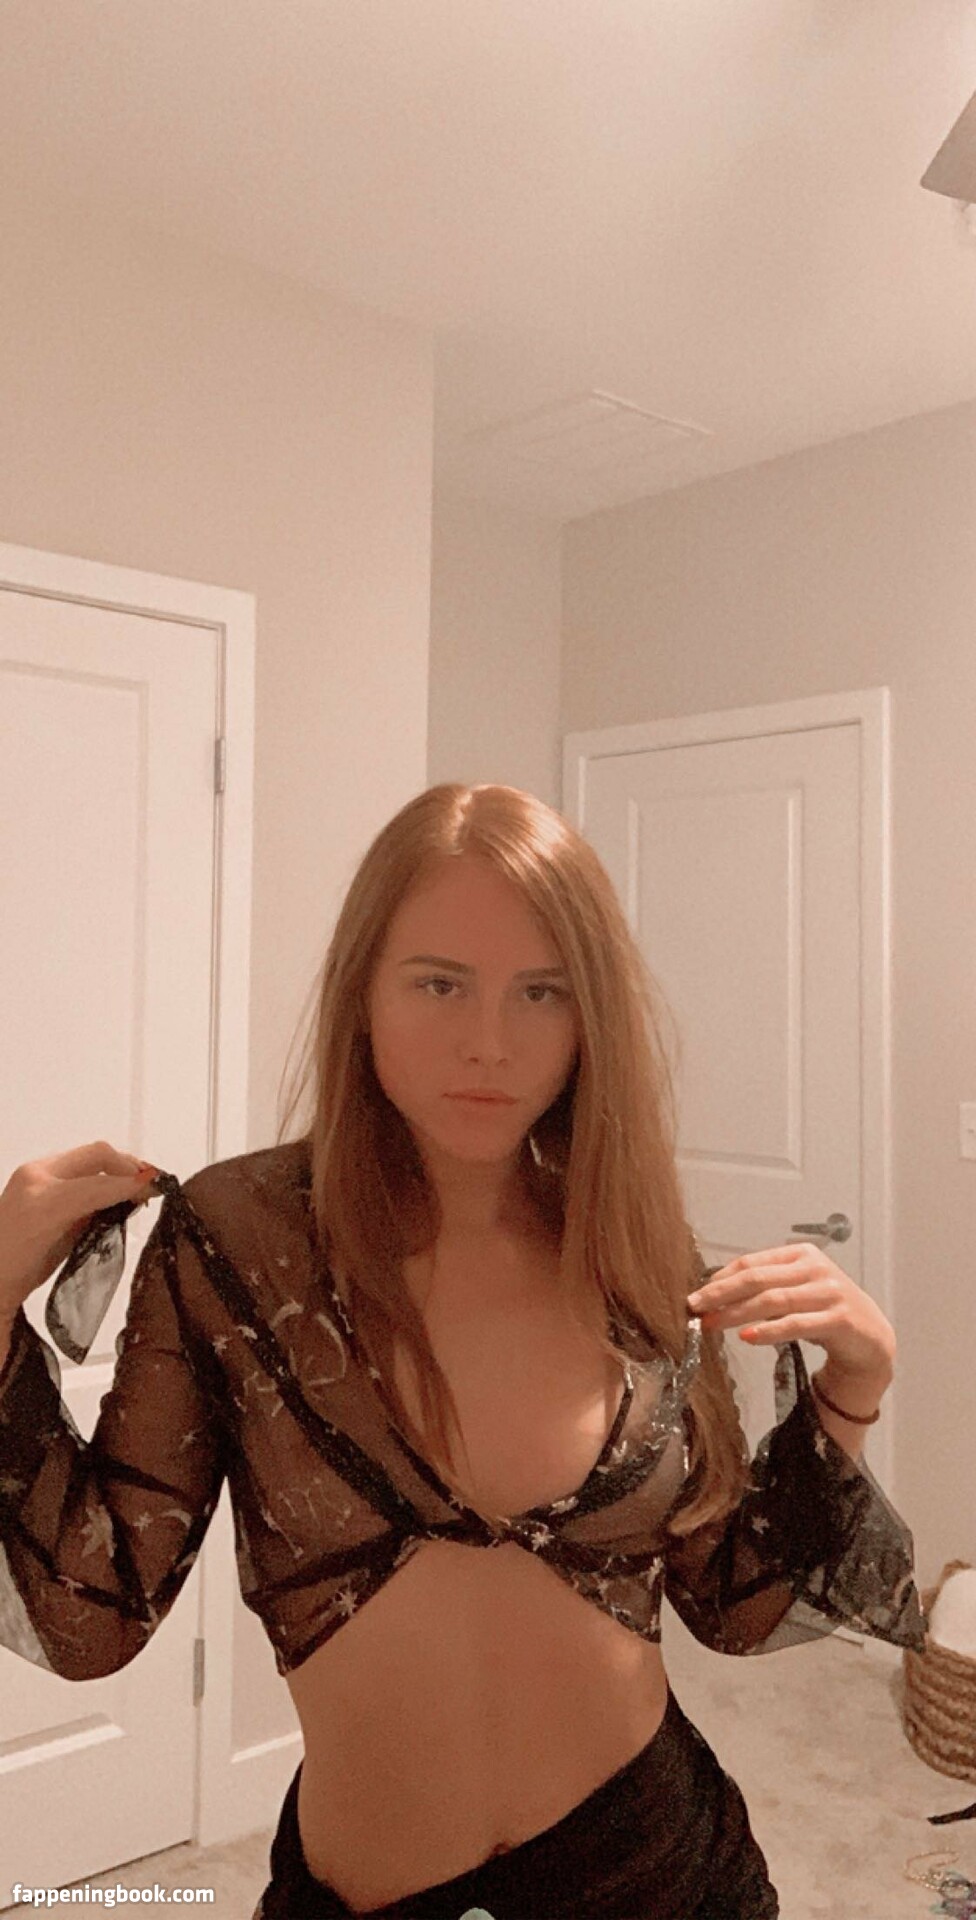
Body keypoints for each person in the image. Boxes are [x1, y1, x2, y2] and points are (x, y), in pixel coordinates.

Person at [0, 782, 926, 1919]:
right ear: (363, 993)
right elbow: (90, 1613)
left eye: (543, 991)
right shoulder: (240, 1245)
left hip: (663, 1869)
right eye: (439, 983)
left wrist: (852, 1388)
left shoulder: (627, 1241)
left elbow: (732, 1603)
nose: (490, 1043)